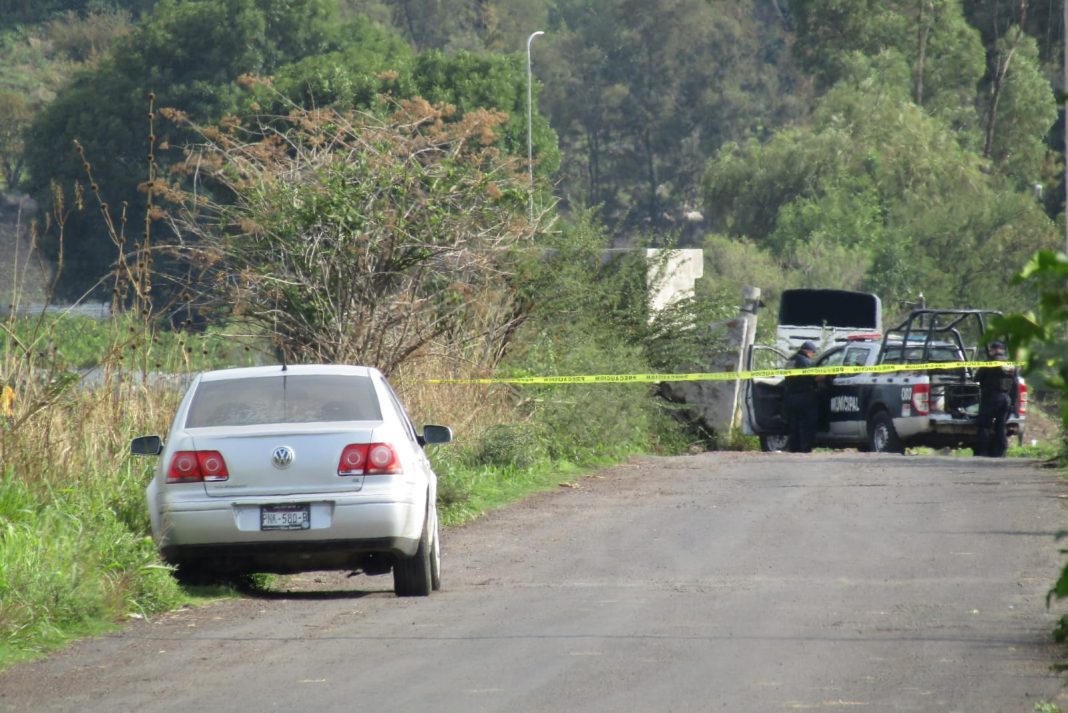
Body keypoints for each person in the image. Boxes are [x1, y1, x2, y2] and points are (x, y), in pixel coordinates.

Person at [974, 340, 1020, 457]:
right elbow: (1015, 384)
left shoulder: (989, 363)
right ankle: (1000, 452)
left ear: (992, 350)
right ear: (1003, 350)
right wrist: (1015, 404)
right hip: (1006, 399)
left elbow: (977, 378)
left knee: (985, 425)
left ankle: (982, 451)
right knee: (1000, 426)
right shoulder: (1010, 364)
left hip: (991, 398)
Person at [784, 340, 821, 453]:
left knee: (793, 425)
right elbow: (815, 377)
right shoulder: (806, 362)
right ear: (808, 351)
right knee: (806, 424)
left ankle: (793, 449)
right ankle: (805, 449)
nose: (812, 355)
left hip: (790, 397)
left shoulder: (790, 360)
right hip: (805, 397)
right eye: (812, 353)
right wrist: (826, 376)